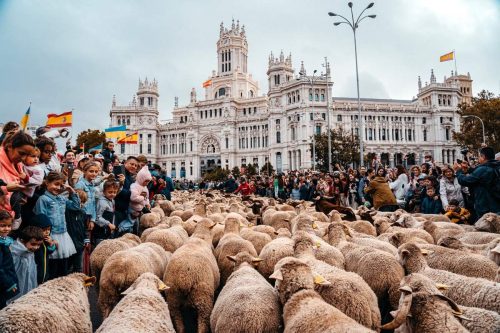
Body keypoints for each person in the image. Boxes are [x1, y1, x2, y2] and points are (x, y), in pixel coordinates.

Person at [34, 172, 79, 279]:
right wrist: (46, 237)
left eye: (61, 185)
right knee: (52, 264)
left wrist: (72, 191)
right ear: (47, 183)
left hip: (63, 234)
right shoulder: (43, 199)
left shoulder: (62, 198)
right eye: (56, 184)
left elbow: (76, 207)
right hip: (51, 235)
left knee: (63, 264)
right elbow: (41, 219)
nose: (58, 187)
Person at [454, 147, 500, 219]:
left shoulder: (483, 169)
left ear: (483, 157)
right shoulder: (496, 166)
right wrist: (469, 169)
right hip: (496, 202)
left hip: (485, 205)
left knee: (485, 226)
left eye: (479, 156)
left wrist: (458, 171)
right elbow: (481, 176)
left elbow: (465, 181)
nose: (478, 158)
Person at [0, 131, 34, 217]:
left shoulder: (19, 165)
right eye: (21, 153)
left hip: (9, 218)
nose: (23, 158)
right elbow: (7, 188)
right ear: (10, 146)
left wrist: (20, 198)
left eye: (27, 155)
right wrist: (5, 188)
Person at [9, 226, 44, 303]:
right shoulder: (14, 252)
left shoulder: (29, 252)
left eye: (39, 245)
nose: (36, 247)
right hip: (13, 288)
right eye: (33, 244)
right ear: (22, 240)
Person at [30, 214, 57, 284]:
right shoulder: (33, 243)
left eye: (49, 229)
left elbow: (48, 252)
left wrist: (51, 244)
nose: (47, 232)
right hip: (35, 275)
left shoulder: (46, 241)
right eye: (44, 230)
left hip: (44, 274)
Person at [0, 210, 18, 308]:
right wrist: (9, 283)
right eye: (2, 226)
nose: (6, 229)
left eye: (8, 226)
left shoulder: (7, 241)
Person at [114, 156, 139, 228]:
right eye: (132, 164)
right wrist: (133, 195)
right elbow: (117, 190)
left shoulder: (129, 176)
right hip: (117, 208)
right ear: (125, 163)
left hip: (124, 208)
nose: (134, 166)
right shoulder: (119, 171)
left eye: (136, 165)